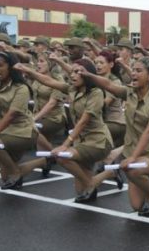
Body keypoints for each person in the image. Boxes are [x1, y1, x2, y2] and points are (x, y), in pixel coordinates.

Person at [82, 57, 149, 214]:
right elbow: (109, 85)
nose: (133, 74)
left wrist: (132, 157)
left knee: (133, 170)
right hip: (133, 151)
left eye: (139, 71)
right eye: (133, 71)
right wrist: (88, 75)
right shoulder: (129, 93)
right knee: (136, 206)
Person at [14, 59, 113, 202]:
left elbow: (84, 121)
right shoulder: (71, 89)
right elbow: (48, 81)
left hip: (98, 142)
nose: (73, 75)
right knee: (81, 191)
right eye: (72, 71)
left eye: (78, 72)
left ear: (87, 74)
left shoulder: (96, 92)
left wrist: (66, 144)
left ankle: (91, 183)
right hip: (81, 141)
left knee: (63, 156)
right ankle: (107, 174)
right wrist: (27, 70)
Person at [0, 52, 37, 190]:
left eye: (0, 66)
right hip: (7, 131)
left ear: (11, 68)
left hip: (24, 132)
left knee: (12, 172)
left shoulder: (22, 88)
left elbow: (11, 114)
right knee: (5, 177)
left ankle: (16, 173)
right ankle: (44, 161)